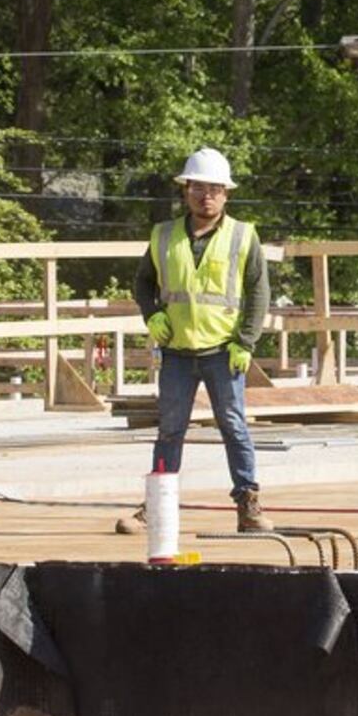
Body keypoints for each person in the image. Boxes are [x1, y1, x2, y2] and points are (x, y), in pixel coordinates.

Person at [134, 147, 274, 534]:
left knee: (234, 426)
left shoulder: (243, 236)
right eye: (198, 187)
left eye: (214, 188)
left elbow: (258, 291)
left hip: (222, 351)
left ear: (226, 194)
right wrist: (153, 314)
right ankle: (157, 506)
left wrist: (246, 341)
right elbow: (143, 281)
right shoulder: (163, 235)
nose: (205, 195)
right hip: (177, 351)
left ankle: (248, 504)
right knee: (170, 429)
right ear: (185, 190)